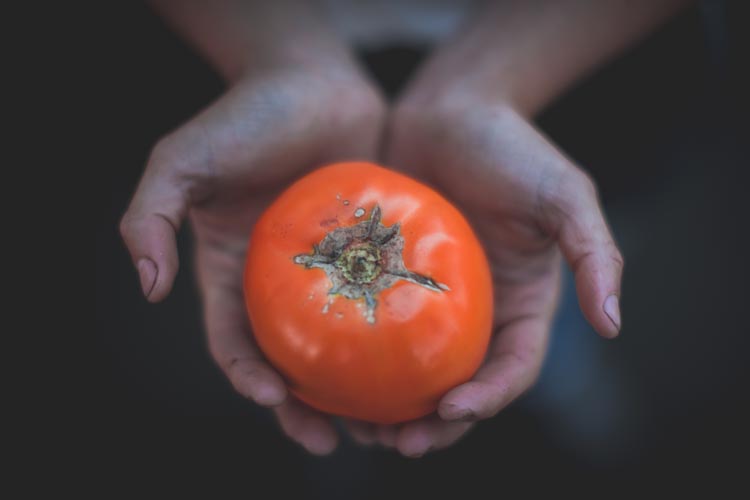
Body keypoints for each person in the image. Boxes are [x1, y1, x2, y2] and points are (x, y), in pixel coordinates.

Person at [120, 0, 689, 457]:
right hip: (242, 56)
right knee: (547, 298)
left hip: (584, 75)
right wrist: (278, 50)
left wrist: (484, 82)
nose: (362, 263)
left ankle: (567, 378)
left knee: (568, 284)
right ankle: (569, 379)